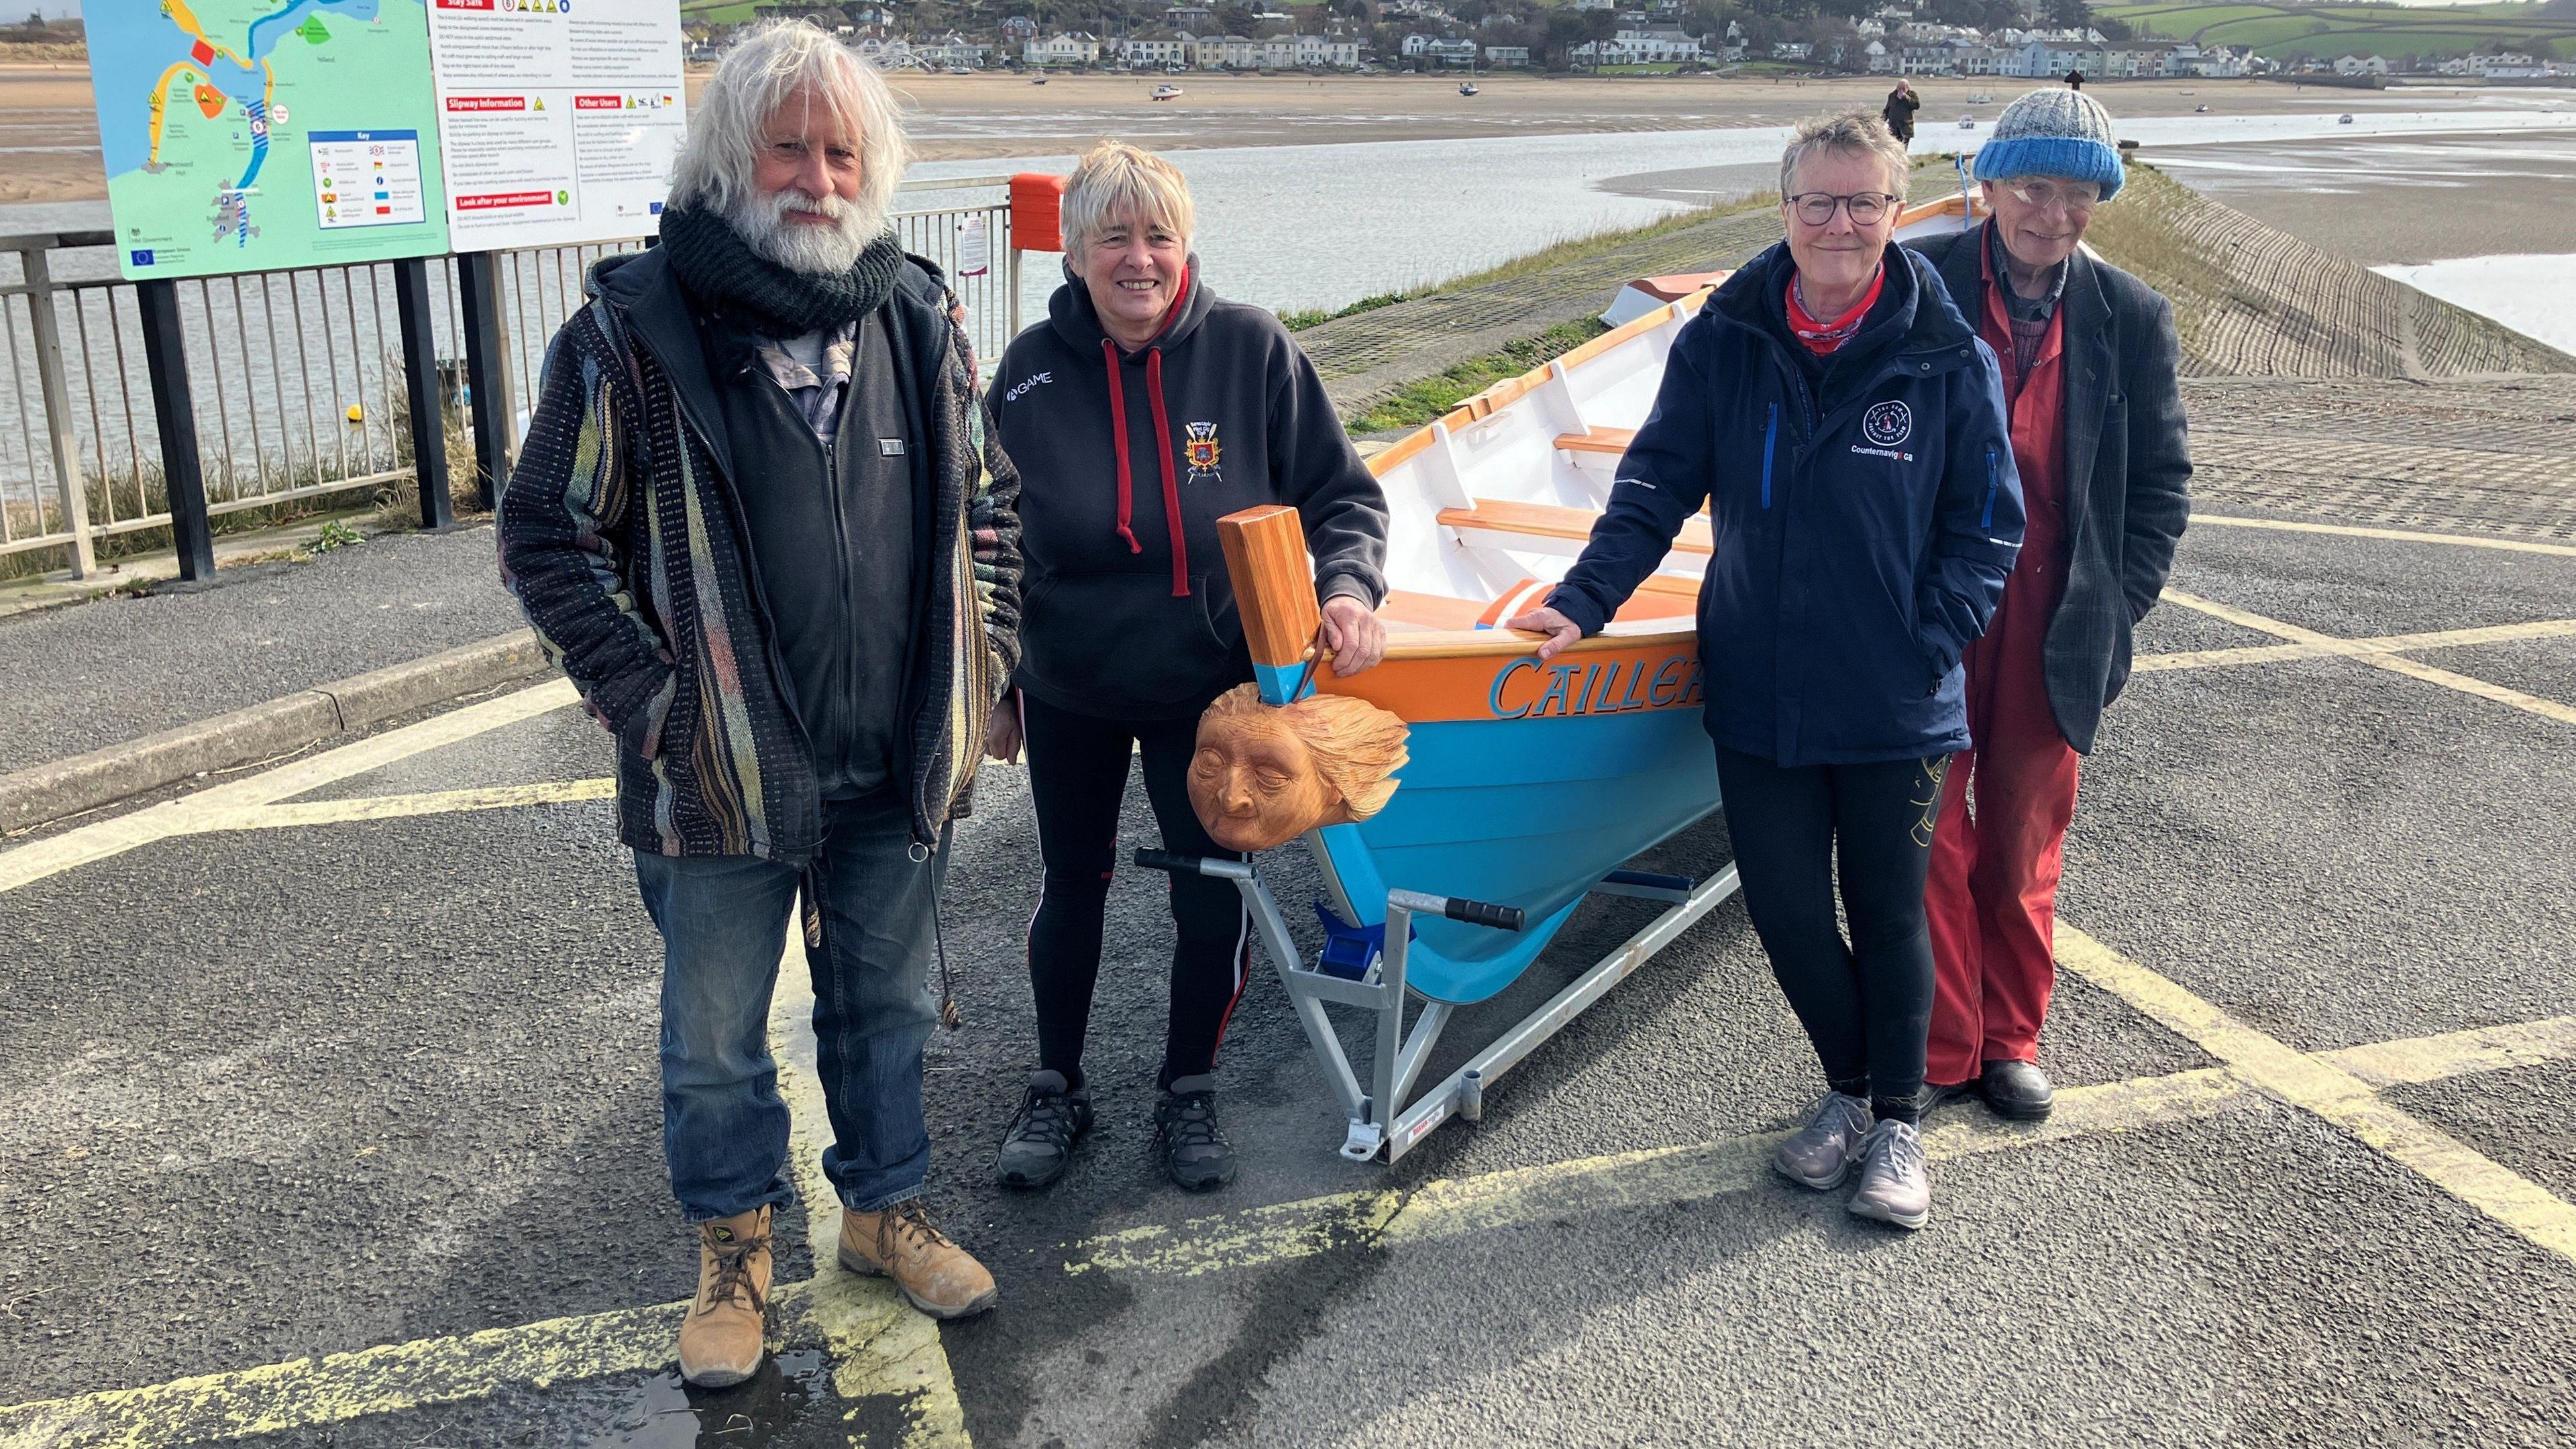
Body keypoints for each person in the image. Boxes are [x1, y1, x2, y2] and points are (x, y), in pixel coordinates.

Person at [495, 21, 1023, 1387]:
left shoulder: (915, 313)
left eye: (842, 150)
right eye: (787, 146)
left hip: (893, 761)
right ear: (730, 162)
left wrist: (987, 665)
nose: (817, 175)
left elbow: (992, 506)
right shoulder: (630, 333)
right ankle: (734, 1255)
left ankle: (885, 1211)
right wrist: (651, 701)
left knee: (887, 1009)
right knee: (718, 1042)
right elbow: (548, 531)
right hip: (717, 773)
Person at [1507, 111, 2023, 1231]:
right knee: (1789, 915)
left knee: (1889, 916)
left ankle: (1897, 1125)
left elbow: (1989, 525)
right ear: (1783, 210)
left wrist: (1931, 637)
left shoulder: (1947, 356)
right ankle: (1847, 1092)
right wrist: (1584, 600)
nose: (1840, 225)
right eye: (1818, 203)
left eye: (1864, 203)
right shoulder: (1724, 337)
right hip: (1759, 688)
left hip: (1897, 702)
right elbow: (1653, 485)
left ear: (1896, 212)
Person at [987, 142, 1390, 1194]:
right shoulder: (1026, 372)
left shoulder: (1253, 350)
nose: (1138, 258)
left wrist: (1348, 588)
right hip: (1067, 681)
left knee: (1214, 889)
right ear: (1073, 251)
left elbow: (1344, 497)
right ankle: (1056, 1083)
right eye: (1113, 236)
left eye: (1158, 235)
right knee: (1074, 882)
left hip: (1211, 692)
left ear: (1187, 244)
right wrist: (992, 683)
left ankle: (1189, 1090)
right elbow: (980, 542)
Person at [1907, 89, 2191, 1121]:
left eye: (2079, 193)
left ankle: (2008, 1038)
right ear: (1988, 185)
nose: (2052, 213)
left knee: (2024, 841)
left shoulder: (2131, 314)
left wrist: (2119, 606)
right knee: (1924, 834)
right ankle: (1938, 1049)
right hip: (1931, 612)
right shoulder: (1917, 283)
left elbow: (2160, 486)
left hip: (2052, 618)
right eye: (2033, 185)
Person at [1882, 78, 1919, 144]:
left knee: (1904, 147)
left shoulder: (1912, 95)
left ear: (1908, 88)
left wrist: (1906, 97)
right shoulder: (1892, 96)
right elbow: (1887, 110)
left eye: (1903, 88)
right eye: (1899, 88)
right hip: (1893, 127)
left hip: (1906, 127)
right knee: (1894, 147)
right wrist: (1881, 121)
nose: (1901, 90)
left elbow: (1916, 106)